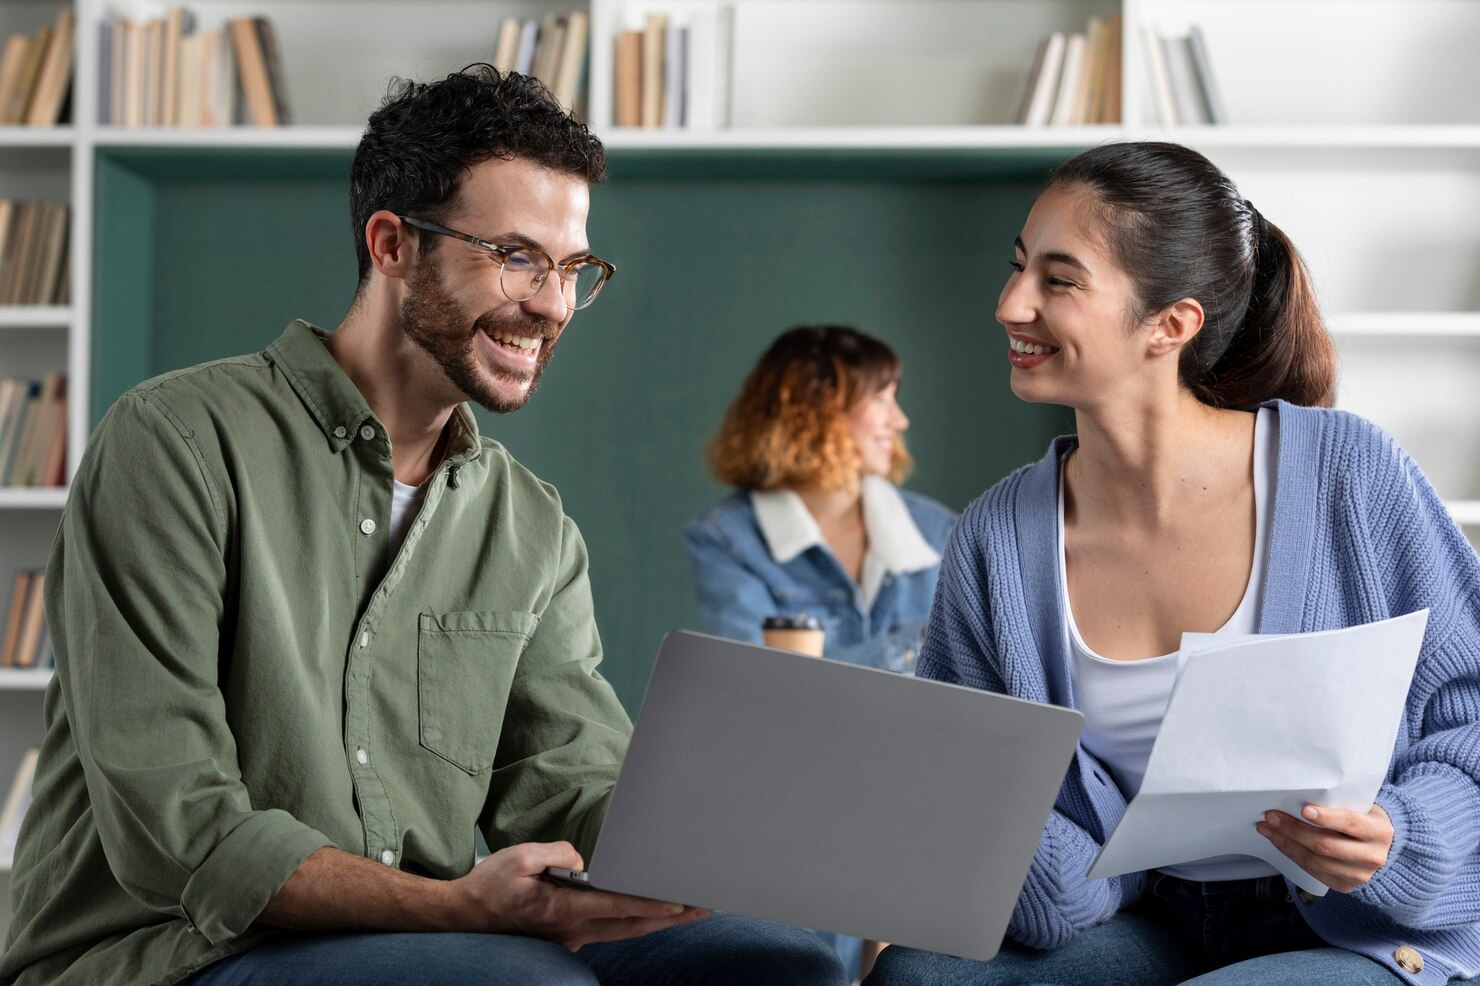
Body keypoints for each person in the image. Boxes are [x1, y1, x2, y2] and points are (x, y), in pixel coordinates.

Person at [0, 67, 845, 986]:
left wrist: (730, 836)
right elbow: (180, 828)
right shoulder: (174, 442)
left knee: (780, 963)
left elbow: (567, 788)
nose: (555, 304)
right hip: (170, 950)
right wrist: (459, 908)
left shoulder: (531, 526)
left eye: (571, 269)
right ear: (394, 244)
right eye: (517, 257)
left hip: (436, 945)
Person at [866, 141, 1480, 986]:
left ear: (1172, 324)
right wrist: (1033, 855)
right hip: (1146, 922)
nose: (1011, 304)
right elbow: (977, 791)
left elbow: (1471, 710)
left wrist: (1401, 837)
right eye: (1018, 269)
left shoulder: (1350, 475)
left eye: (1060, 279)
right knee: (921, 976)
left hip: (1360, 928)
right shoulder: (997, 539)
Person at [682, 324, 957, 979]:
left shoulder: (937, 530)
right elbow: (766, 701)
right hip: (793, 792)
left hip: (916, 791)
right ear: (815, 410)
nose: (900, 418)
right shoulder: (728, 538)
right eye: (882, 398)